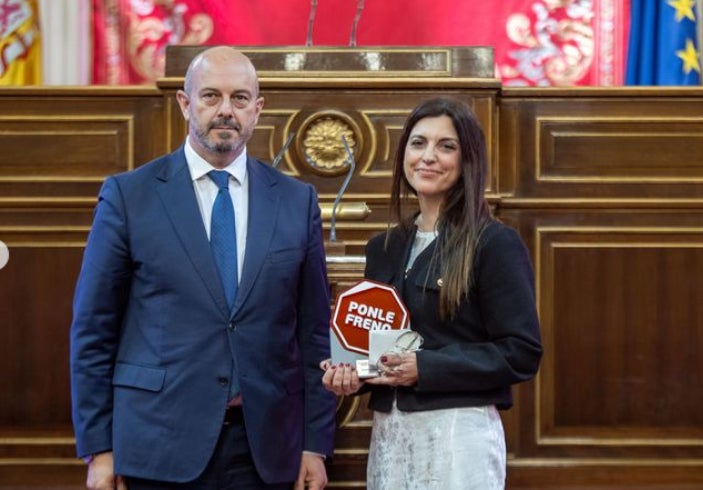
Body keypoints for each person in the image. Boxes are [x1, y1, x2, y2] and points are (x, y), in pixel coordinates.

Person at [70, 46, 336, 490]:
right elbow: (93, 330)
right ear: (184, 103)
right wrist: (99, 448)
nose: (226, 111)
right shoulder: (129, 197)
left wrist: (314, 443)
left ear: (258, 108)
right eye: (211, 96)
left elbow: (313, 334)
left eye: (240, 98)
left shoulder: (295, 201)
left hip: (267, 449)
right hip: (157, 444)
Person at [321, 97, 542, 490]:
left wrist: (425, 367)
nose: (428, 157)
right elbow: (384, 357)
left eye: (446, 146)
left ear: (468, 159)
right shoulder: (384, 247)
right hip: (390, 437)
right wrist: (354, 374)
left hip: (458, 438)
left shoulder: (494, 243)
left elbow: (521, 352)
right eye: (418, 143)